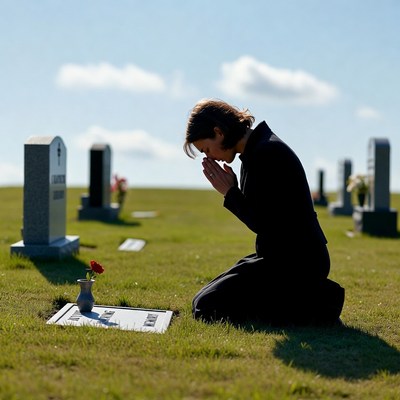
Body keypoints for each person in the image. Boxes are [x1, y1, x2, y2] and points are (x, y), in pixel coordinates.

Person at [183, 98, 345, 326]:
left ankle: (319, 302)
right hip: (279, 258)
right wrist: (232, 191)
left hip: (297, 264)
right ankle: (307, 298)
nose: (209, 157)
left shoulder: (266, 152)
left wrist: (230, 192)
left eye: (206, 149)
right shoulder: (254, 151)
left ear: (218, 132)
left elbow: (264, 223)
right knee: (201, 300)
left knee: (207, 307)